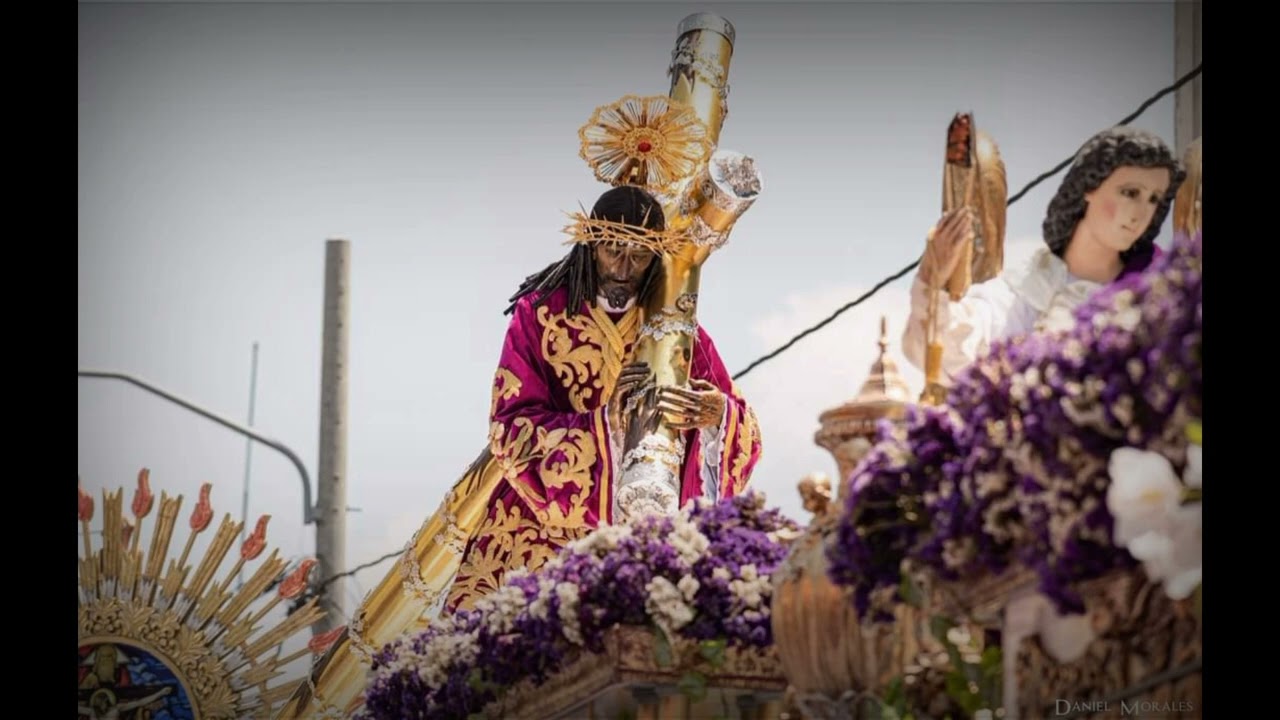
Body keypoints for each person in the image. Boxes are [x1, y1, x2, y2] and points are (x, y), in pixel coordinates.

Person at [443, 184, 762, 612]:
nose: (623, 268)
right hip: (542, 533)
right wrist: (601, 425)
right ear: (591, 243)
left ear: (657, 258)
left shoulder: (677, 329)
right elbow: (509, 429)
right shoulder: (540, 316)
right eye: (613, 250)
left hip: (644, 534)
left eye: (639, 255)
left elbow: (742, 427)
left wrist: (717, 417)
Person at [902, 126, 1186, 381]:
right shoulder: (1027, 289)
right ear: (1090, 187)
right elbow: (947, 354)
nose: (1140, 213)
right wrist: (932, 278)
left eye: (1153, 199)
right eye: (1130, 192)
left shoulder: (1156, 296)